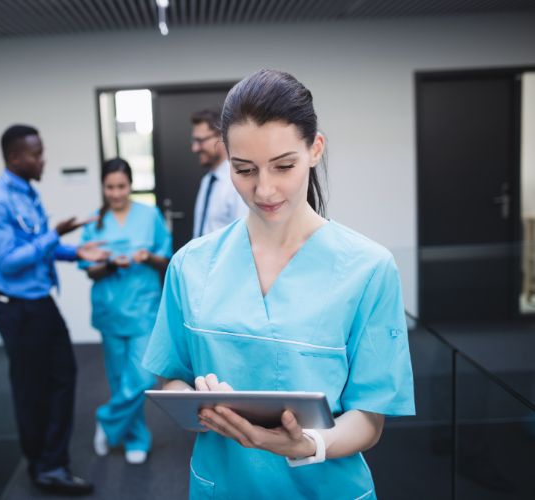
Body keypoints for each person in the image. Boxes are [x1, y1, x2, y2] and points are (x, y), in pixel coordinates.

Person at [143, 70, 415, 499]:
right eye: (244, 169)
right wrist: (201, 402)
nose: (264, 189)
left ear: (315, 150)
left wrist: (310, 444)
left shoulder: (369, 269)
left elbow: (369, 417)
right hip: (223, 485)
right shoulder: (190, 266)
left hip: (327, 487)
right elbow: (170, 380)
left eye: (283, 166)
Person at [0, 124, 107, 496]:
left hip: (39, 303)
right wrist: (57, 233)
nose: (42, 159)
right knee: (32, 389)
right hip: (16, 308)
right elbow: (9, 262)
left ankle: (51, 461)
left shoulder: (27, 193)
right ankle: (43, 466)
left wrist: (76, 251)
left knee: (63, 377)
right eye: (36, 153)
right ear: (15, 157)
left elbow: (38, 247)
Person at [79, 158, 172, 465]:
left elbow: (166, 259)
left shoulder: (150, 216)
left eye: (121, 186)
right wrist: (108, 264)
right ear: (103, 187)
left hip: (143, 310)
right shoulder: (94, 222)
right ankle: (135, 438)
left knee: (143, 377)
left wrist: (147, 257)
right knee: (120, 380)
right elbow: (89, 270)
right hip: (110, 310)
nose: (116, 193)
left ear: (130, 185)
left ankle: (106, 419)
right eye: (110, 187)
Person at [190, 108, 248, 237]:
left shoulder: (238, 181)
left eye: (200, 141)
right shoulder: (207, 180)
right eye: (194, 141)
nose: (195, 148)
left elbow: (242, 236)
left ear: (221, 137)